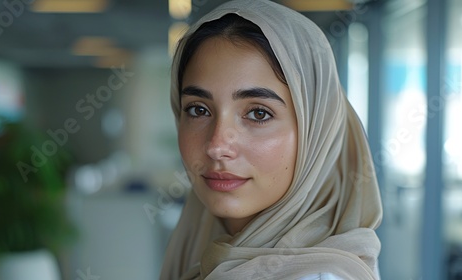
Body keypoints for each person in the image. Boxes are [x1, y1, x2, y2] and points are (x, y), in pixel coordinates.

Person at [160, 0, 383, 279]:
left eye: (257, 113)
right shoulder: (209, 254)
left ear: (315, 133)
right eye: (198, 110)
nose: (217, 146)